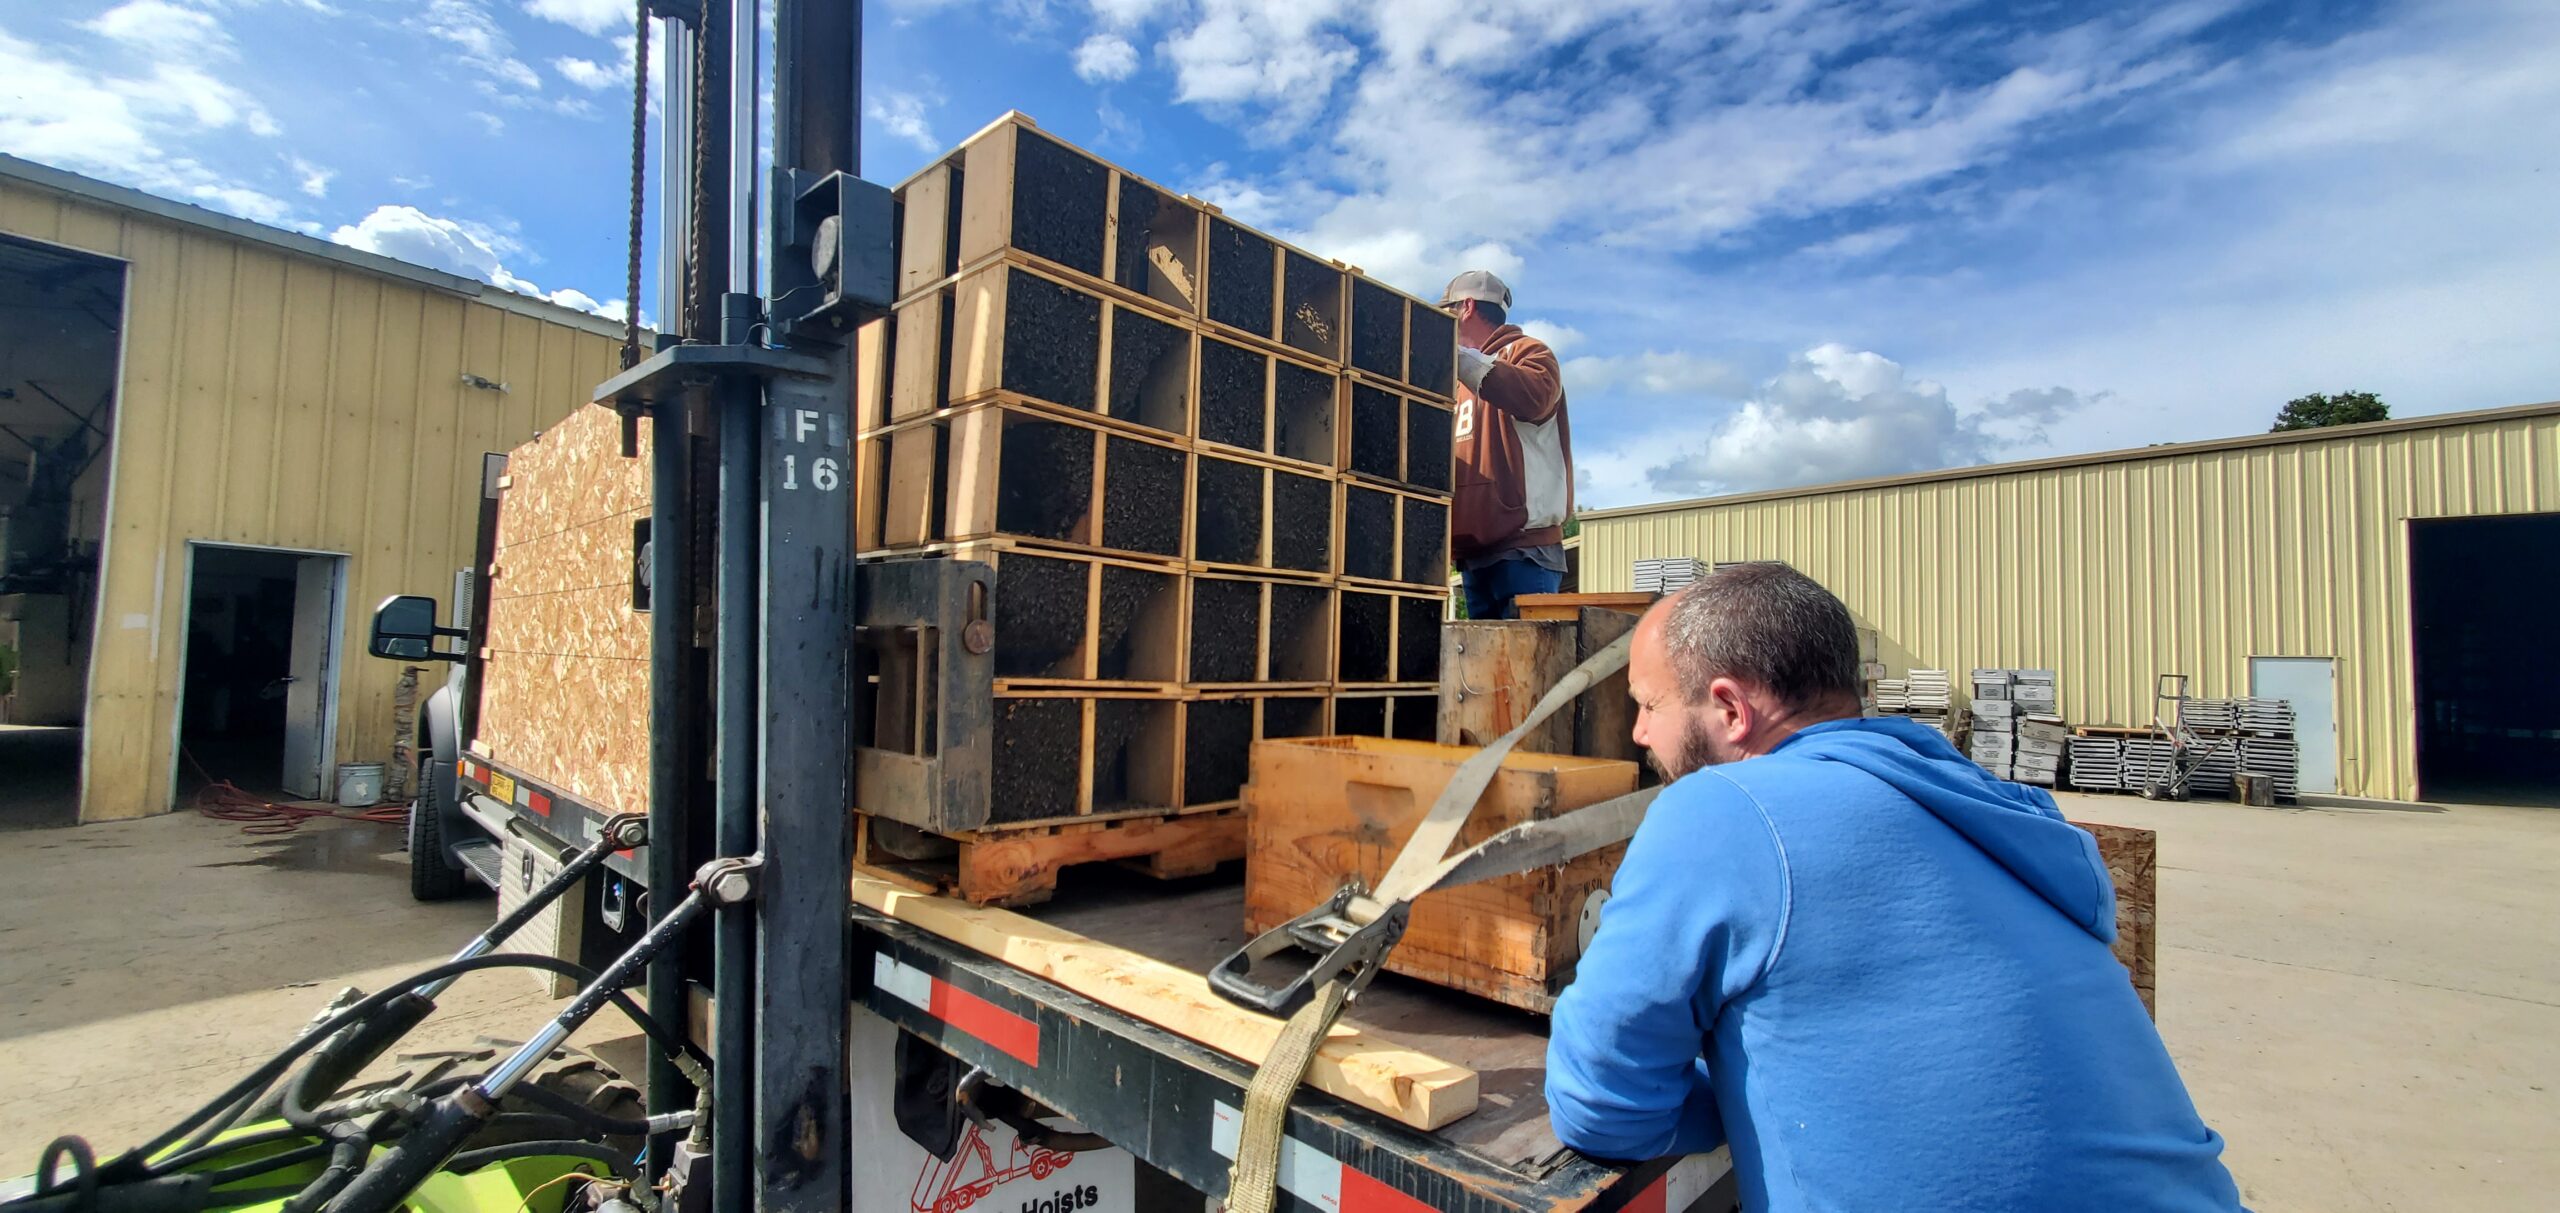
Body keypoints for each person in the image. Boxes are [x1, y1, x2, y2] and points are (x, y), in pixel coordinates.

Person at [1546, 564, 2244, 1211]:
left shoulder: (1723, 807)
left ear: (1729, 709)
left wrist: (1727, 1098)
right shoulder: (1993, 809)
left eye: (1648, 704)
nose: (1638, 732)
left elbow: (1599, 1100)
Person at [1442, 269, 1572, 620]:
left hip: (1524, 551)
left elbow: (1535, 396)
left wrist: (1458, 358)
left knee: (1525, 669)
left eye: (1447, 310)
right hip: (1475, 552)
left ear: (1466, 306)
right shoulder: (1456, 381)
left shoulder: (1528, 352)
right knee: (1485, 672)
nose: (1443, 320)